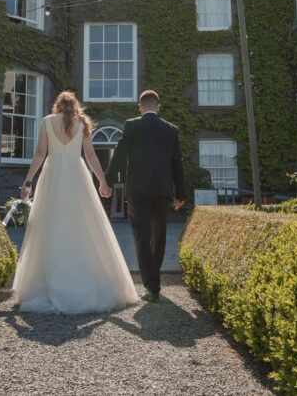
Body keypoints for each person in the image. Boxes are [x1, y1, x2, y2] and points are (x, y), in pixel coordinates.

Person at [12, 91, 138, 313]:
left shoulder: (47, 122)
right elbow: (90, 156)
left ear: (57, 106)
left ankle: (50, 279)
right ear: (75, 106)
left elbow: (41, 153)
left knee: (49, 224)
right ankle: (85, 279)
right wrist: (103, 183)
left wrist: (28, 182)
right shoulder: (82, 123)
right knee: (82, 224)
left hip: (52, 175)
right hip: (77, 175)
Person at [106, 89, 187, 302]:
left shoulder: (132, 125)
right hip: (162, 191)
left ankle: (152, 286)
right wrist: (181, 192)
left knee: (141, 237)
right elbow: (177, 164)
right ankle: (154, 282)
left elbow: (120, 155)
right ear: (158, 107)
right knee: (158, 237)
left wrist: (107, 181)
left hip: (137, 191)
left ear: (140, 107)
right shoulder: (171, 130)